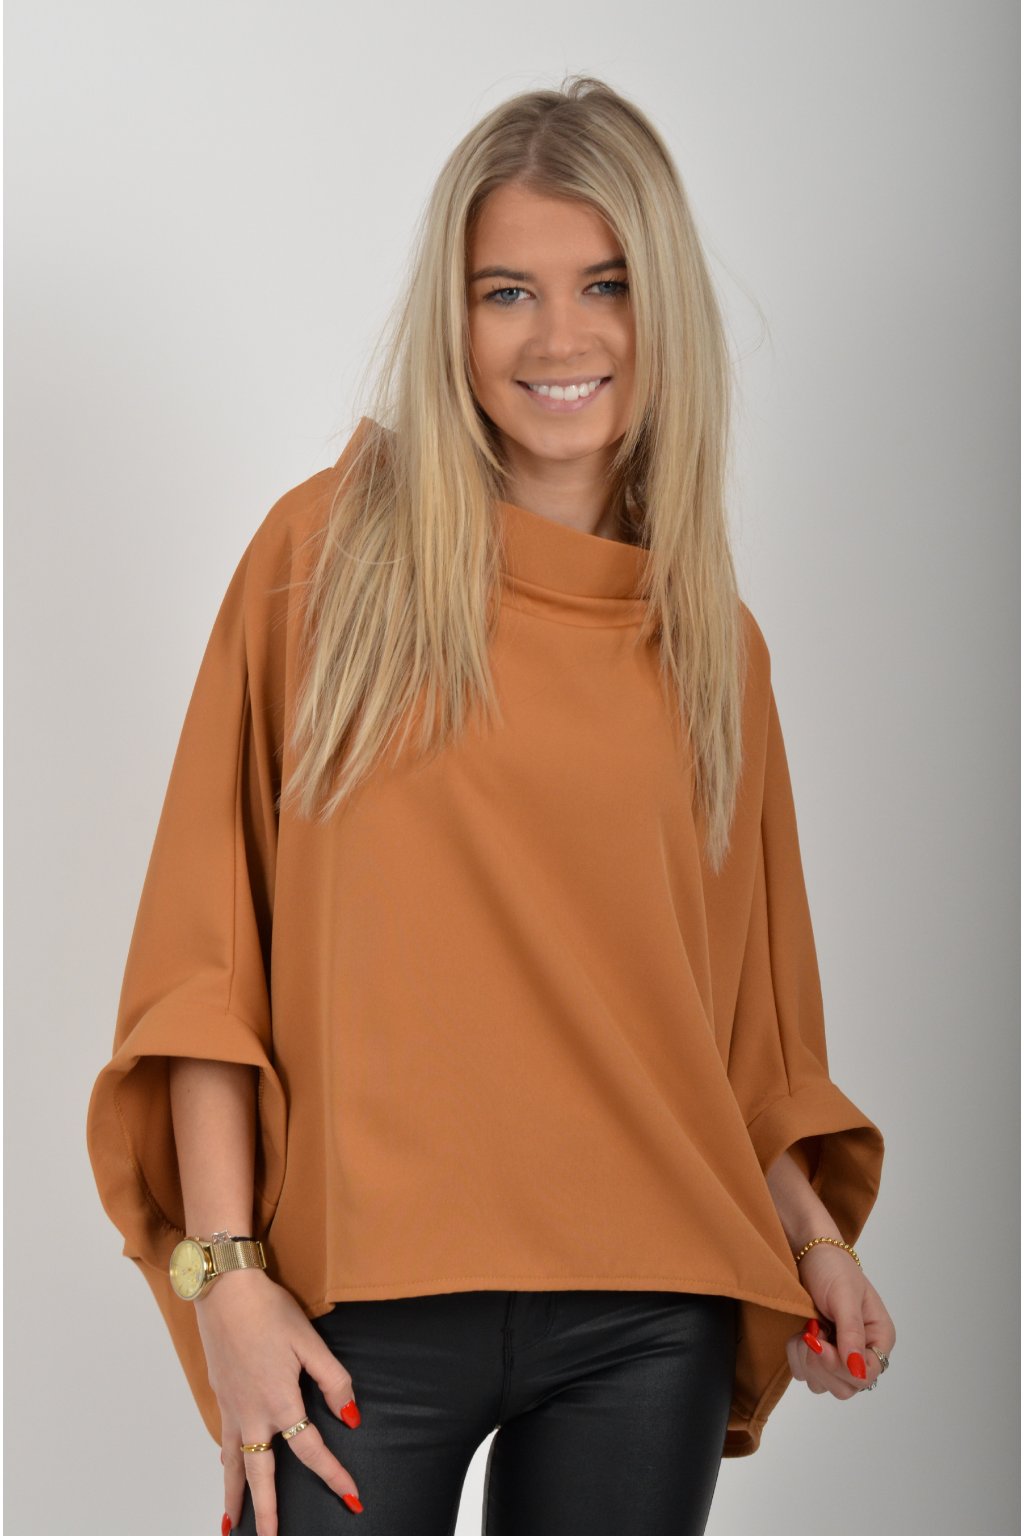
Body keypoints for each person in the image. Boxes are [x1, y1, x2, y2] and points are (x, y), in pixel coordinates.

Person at [85, 75, 895, 1536]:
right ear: (451, 321)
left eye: (607, 285)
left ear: (664, 311)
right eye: (507, 291)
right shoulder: (323, 561)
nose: (561, 337)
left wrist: (816, 1240)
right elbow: (209, 967)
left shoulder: (714, 643)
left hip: (648, 1306)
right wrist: (227, 1279)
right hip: (358, 1308)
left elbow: (732, 1025)